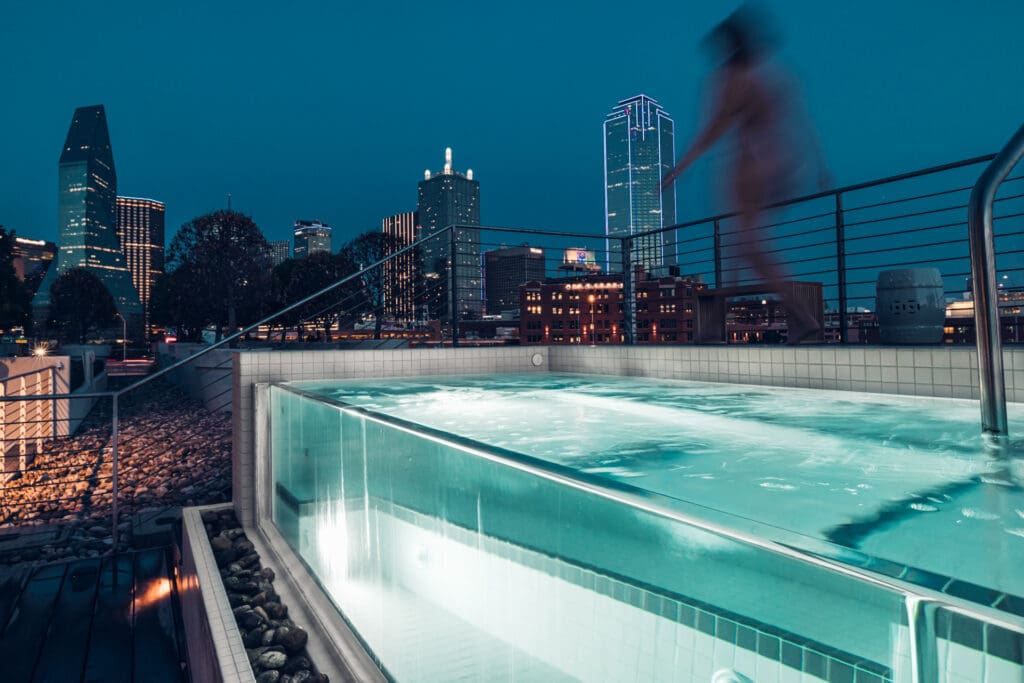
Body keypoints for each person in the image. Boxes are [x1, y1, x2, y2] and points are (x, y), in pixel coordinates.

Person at [662, 5, 829, 344]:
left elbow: (716, 125)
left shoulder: (732, 78)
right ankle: (716, 325)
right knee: (741, 244)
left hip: (751, 166)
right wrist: (821, 166)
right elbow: (804, 124)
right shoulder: (776, 73)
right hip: (785, 163)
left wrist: (681, 166)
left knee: (748, 245)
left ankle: (803, 319)